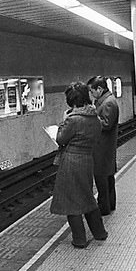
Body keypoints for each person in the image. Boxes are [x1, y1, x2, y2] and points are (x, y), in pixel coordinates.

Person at [51, 82, 108, 248]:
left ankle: (79, 239)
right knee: (87, 196)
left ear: (72, 101)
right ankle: (99, 233)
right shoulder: (95, 117)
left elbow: (61, 139)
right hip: (87, 160)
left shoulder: (73, 120)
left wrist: (64, 121)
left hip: (71, 162)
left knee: (71, 201)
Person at [87, 75, 119, 216]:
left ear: (99, 89)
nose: (91, 94)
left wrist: (92, 116)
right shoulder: (105, 101)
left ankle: (104, 208)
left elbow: (106, 124)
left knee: (102, 179)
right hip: (104, 147)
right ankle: (110, 205)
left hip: (102, 148)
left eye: (92, 91)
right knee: (108, 178)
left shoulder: (108, 103)